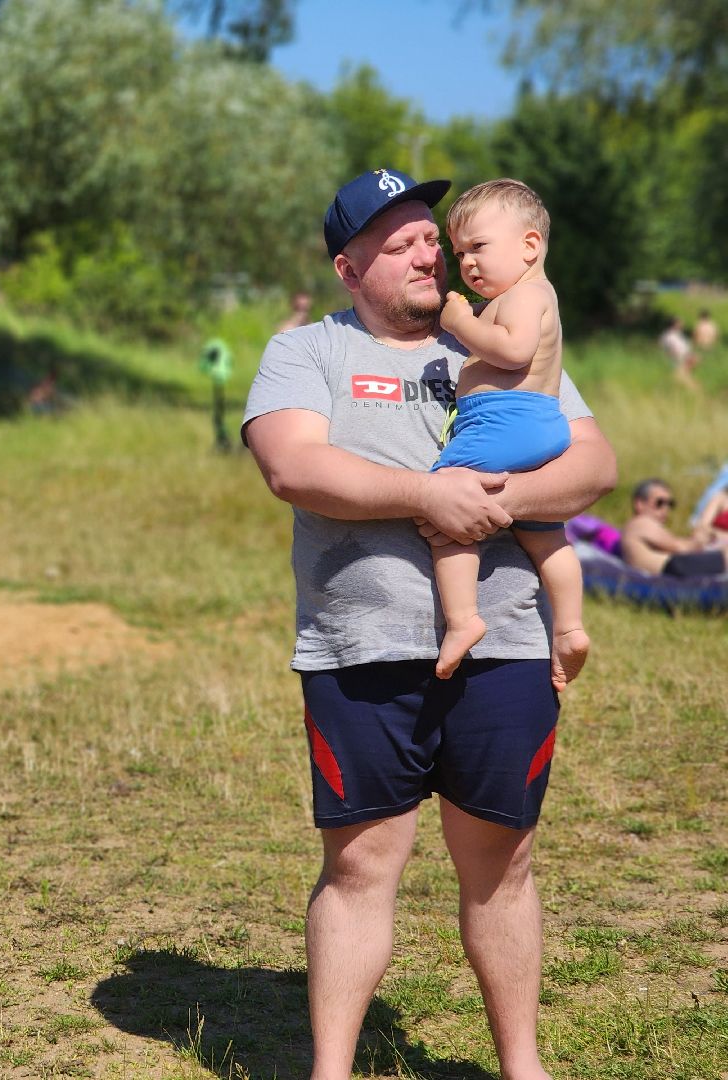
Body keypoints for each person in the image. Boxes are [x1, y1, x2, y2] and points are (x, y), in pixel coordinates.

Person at [243, 167, 616, 1080]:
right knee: (362, 869)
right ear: (347, 265)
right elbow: (294, 467)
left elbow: (594, 464)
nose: (428, 248)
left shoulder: (505, 345)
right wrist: (427, 495)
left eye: (430, 234)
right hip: (359, 649)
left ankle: (522, 1068)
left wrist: (492, 502)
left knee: (503, 866)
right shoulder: (306, 352)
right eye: (398, 237)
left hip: (511, 649)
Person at [432, 180, 589, 687]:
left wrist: (460, 322)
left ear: (529, 246)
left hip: (506, 420)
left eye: (478, 247)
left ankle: (463, 619)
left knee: (443, 503)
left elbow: (514, 350)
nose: (467, 264)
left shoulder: (526, 294)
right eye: (458, 254)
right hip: (536, 422)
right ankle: (568, 627)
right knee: (544, 532)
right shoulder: (527, 293)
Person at [620, 478, 726, 577]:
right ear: (640, 504)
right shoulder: (640, 523)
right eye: (660, 503)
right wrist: (699, 541)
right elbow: (680, 548)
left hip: (673, 566)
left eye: (669, 504)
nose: (665, 509)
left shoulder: (635, 527)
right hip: (672, 567)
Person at [198, 336, 233, 451]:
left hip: (219, 382)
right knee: (218, 414)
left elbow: (202, 367)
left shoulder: (214, 348)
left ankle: (223, 441)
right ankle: (222, 439)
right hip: (220, 383)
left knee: (218, 415)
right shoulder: (218, 348)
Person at [659, 316, 698, 388]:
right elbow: (672, 351)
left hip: (684, 363)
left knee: (686, 381)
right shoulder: (669, 336)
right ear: (674, 325)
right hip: (679, 363)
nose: (682, 324)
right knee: (690, 385)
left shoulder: (678, 335)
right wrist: (686, 357)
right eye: (680, 323)